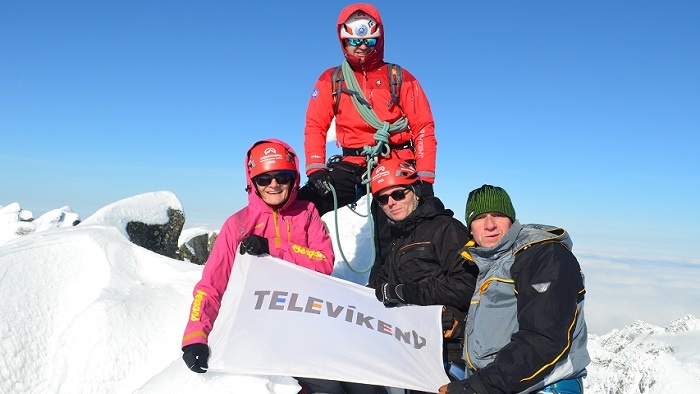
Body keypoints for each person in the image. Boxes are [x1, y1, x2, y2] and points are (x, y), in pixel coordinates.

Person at [180, 139, 343, 392]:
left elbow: (324, 262)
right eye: (264, 179)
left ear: (294, 178)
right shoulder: (238, 225)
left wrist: (272, 249)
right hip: (261, 326)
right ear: (252, 182)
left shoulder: (308, 213)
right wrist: (194, 336)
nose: (274, 185)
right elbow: (211, 285)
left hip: (311, 320)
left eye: (282, 177)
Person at [297, 3, 437, 282]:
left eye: (368, 40)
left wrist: (425, 177)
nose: (361, 47)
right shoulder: (331, 80)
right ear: (343, 40)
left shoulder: (400, 78)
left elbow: (423, 126)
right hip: (353, 163)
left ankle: (386, 287)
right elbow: (315, 125)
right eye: (354, 41)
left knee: (393, 223)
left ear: (379, 38)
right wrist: (315, 169)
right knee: (303, 204)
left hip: (394, 161)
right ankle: (296, 263)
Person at [439, 185, 590, 394]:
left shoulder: (541, 255)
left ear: (511, 221)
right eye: (480, 217)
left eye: (498, 215)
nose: (490, 225)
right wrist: (460, 329)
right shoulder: (493, 262)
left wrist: (478, 387)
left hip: (546, 387)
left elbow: (544, 339)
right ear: (470, 229)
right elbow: (505, 324)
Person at [368, 159, 478, 393]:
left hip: (447, 350)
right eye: (383, 199)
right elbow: (378, 288)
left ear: (415, 192)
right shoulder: (399, 238)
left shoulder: (446, 229)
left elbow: (468, 286)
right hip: (411, 347)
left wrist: (406, 293)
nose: (391, 203)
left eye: (398, 194)